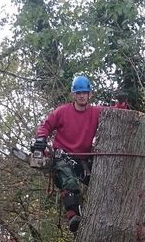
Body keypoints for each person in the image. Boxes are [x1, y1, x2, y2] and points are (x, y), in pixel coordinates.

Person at [32, 75, 128, 232]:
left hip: (83, 158)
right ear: (73, 95)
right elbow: (46, 125)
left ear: (89, 94)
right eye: (78, 93)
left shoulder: (96, 112)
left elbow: (115, 112)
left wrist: (122, 103)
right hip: (62, 154)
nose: (82, 95)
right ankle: (73, 216)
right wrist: (41, 139)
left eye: (84, 92)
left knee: (98, 181)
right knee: (69, 180)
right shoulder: (62, 111)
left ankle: (107, 217)